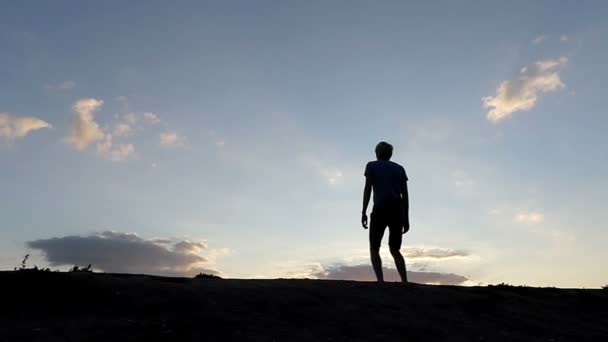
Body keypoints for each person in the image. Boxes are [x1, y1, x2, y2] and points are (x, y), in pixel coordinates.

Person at [361, 141, 409, 283]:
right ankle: (404, 281)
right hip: (396, 210)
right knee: (395, 249)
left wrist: (363, 211)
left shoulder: (371, 166)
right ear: (390, 154)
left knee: (374, 247)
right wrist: (406, 217)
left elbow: (367, 189)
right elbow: (405, 196)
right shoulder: (399, 168)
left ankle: (380, 281)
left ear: (377, 153)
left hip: (380, 210)